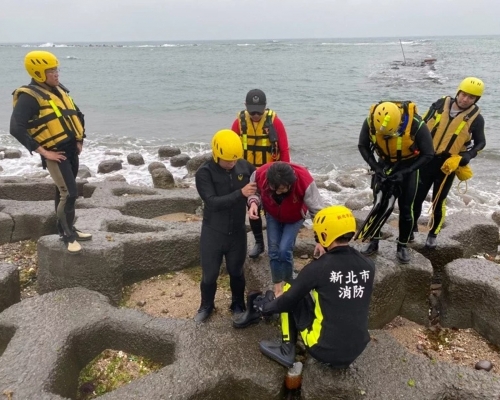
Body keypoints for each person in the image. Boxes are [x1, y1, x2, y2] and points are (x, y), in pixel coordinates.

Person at [246, 206, 375, 368]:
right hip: (357, 348)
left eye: (318, 235)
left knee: (288, 290)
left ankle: (286, 349)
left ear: (325, 235)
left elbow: (288, 301)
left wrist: (265, 307)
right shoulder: (368, 265)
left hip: (323, 349)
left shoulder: (318, 269)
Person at [9, 51, 91, 254]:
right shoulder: (29, 97)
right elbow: (16, 128)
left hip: (71, 150)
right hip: (57, 153)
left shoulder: (58, 90)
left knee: (64, 192)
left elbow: (76, 114)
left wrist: (80, 139)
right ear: (38, 72)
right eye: (51, 70)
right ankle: (66, 235)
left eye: (56, 69)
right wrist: (43, 152)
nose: (56, 74)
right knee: (69, 193)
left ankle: (68, 228)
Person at [413, 77, 486, 249]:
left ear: (476, 100)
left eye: (471, 97)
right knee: (417, 196)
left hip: (448, 165)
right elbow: (421, 125)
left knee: (439, 201)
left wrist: (469, 155)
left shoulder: (476, 119)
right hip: (426, 159)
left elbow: (481, 143)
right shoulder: (439, 105)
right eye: (463, 94)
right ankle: (411, 227)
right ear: (458, 92)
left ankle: (433, 234)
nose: (465, 99)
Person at [358, 101, 434, 263]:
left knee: (406, 209)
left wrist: (406, 172)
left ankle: (402, 245)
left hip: (409, 167)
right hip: (383, 164)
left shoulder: (416, 125)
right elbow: (363, 145)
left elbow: (428, 154)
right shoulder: (370, 121)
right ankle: (374, 241)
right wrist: (376, 167)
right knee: (378, 205)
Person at [194, 129, 257, 323]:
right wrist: (241, 193)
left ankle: (238, 304)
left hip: (237, 232)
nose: (232, 164)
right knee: (210, 274)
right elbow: (212, 202)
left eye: (235, 160)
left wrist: (254, 200)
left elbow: (257, 187)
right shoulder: (204, 173)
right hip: (213, 231)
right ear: (216, 154)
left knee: (236, 271)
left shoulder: (244, 166)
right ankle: (206, 305)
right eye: (228, 160)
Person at [246, 162, 324, 296]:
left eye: (282, 189)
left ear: (290, 184)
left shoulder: (304, 180)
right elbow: (253, 192)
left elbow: (317, 212)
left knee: (284, 250)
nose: (277, 191)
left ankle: (289, 282)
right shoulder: (259, 174)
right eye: (274, 188)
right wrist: (253, 203)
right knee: (274, 250)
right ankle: (278, 287)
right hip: (272, 213)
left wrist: (320, 239)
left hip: (295, 217)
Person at [231, 89, 291, 259]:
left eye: (259, 111)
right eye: (252, 111)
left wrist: (285, 177)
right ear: (245, 106)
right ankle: (259, 242)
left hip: (272, 173)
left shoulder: (275, 122)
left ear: (265, 107)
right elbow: (231, 150)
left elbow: (284, 149)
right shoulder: (239, 123)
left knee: (276, 208)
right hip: (249, 173)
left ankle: (278, 240)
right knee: (253, 208)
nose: (256, 115)